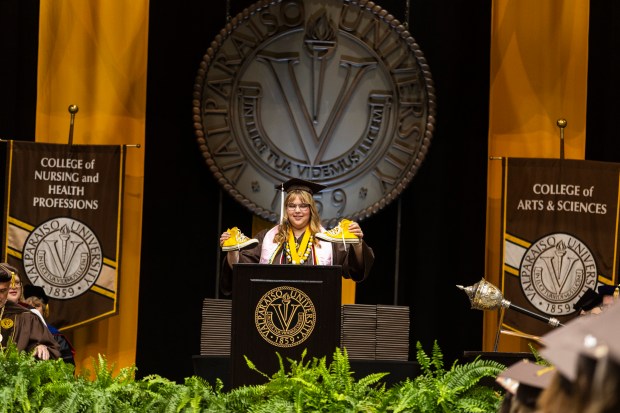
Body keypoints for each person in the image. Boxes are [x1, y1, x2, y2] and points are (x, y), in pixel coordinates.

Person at [218, 178, 374, 295]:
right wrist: (232, 250)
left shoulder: (327, 240)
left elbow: (355, 269)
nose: (297, 210)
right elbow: (240, 271)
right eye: (292, 206)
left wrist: (357, 244)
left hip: (317, 309)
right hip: (273, 307)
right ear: (286, 209)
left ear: (311, 209)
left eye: (303, 205)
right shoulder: (267, 238)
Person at [0, 263, 60, 360]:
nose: (0, 296)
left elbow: (50, 349)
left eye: (3, 291)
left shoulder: (26, 317)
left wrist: (40, 347)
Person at [23, 285, 76, 365]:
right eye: (28, 306)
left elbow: (68, 366)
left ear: (45, 310)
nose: (33, 310)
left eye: (37, 306)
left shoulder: (55, 335)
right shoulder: (17, 333)